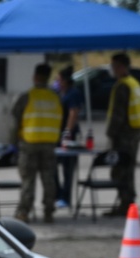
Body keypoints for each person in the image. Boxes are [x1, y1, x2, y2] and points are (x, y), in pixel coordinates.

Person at [11, 63, 62, 223]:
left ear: (35, 77)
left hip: (29, 143)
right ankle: (49, 212)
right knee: (49, 180)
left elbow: (15, 121)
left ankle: (24, 212)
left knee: (28, 180)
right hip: (49, 143)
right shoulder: (55, 97)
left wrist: (13, 143)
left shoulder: (27, 96)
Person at [105, 52, 140, 217]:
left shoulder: (122, 86)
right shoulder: (134, 83)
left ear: (121, 67)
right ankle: (128, 202)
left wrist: (110, 134)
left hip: (124, 135)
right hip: (134, 133)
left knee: (121, 170)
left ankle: (126, 203)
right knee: (129, 168)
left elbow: (118, 115)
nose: (112, 70)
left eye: (114, 66)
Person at [54, 65, 85, 210]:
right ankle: (58, 194)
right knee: (53, 165)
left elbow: (73, 114)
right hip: (58, 134)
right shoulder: (62, 93)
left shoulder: (73, 93)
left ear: (65, 80)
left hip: (69, 135)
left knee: (68, 168)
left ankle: (65, 197)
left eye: (59, 79)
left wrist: (67, 132)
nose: (57, 82)